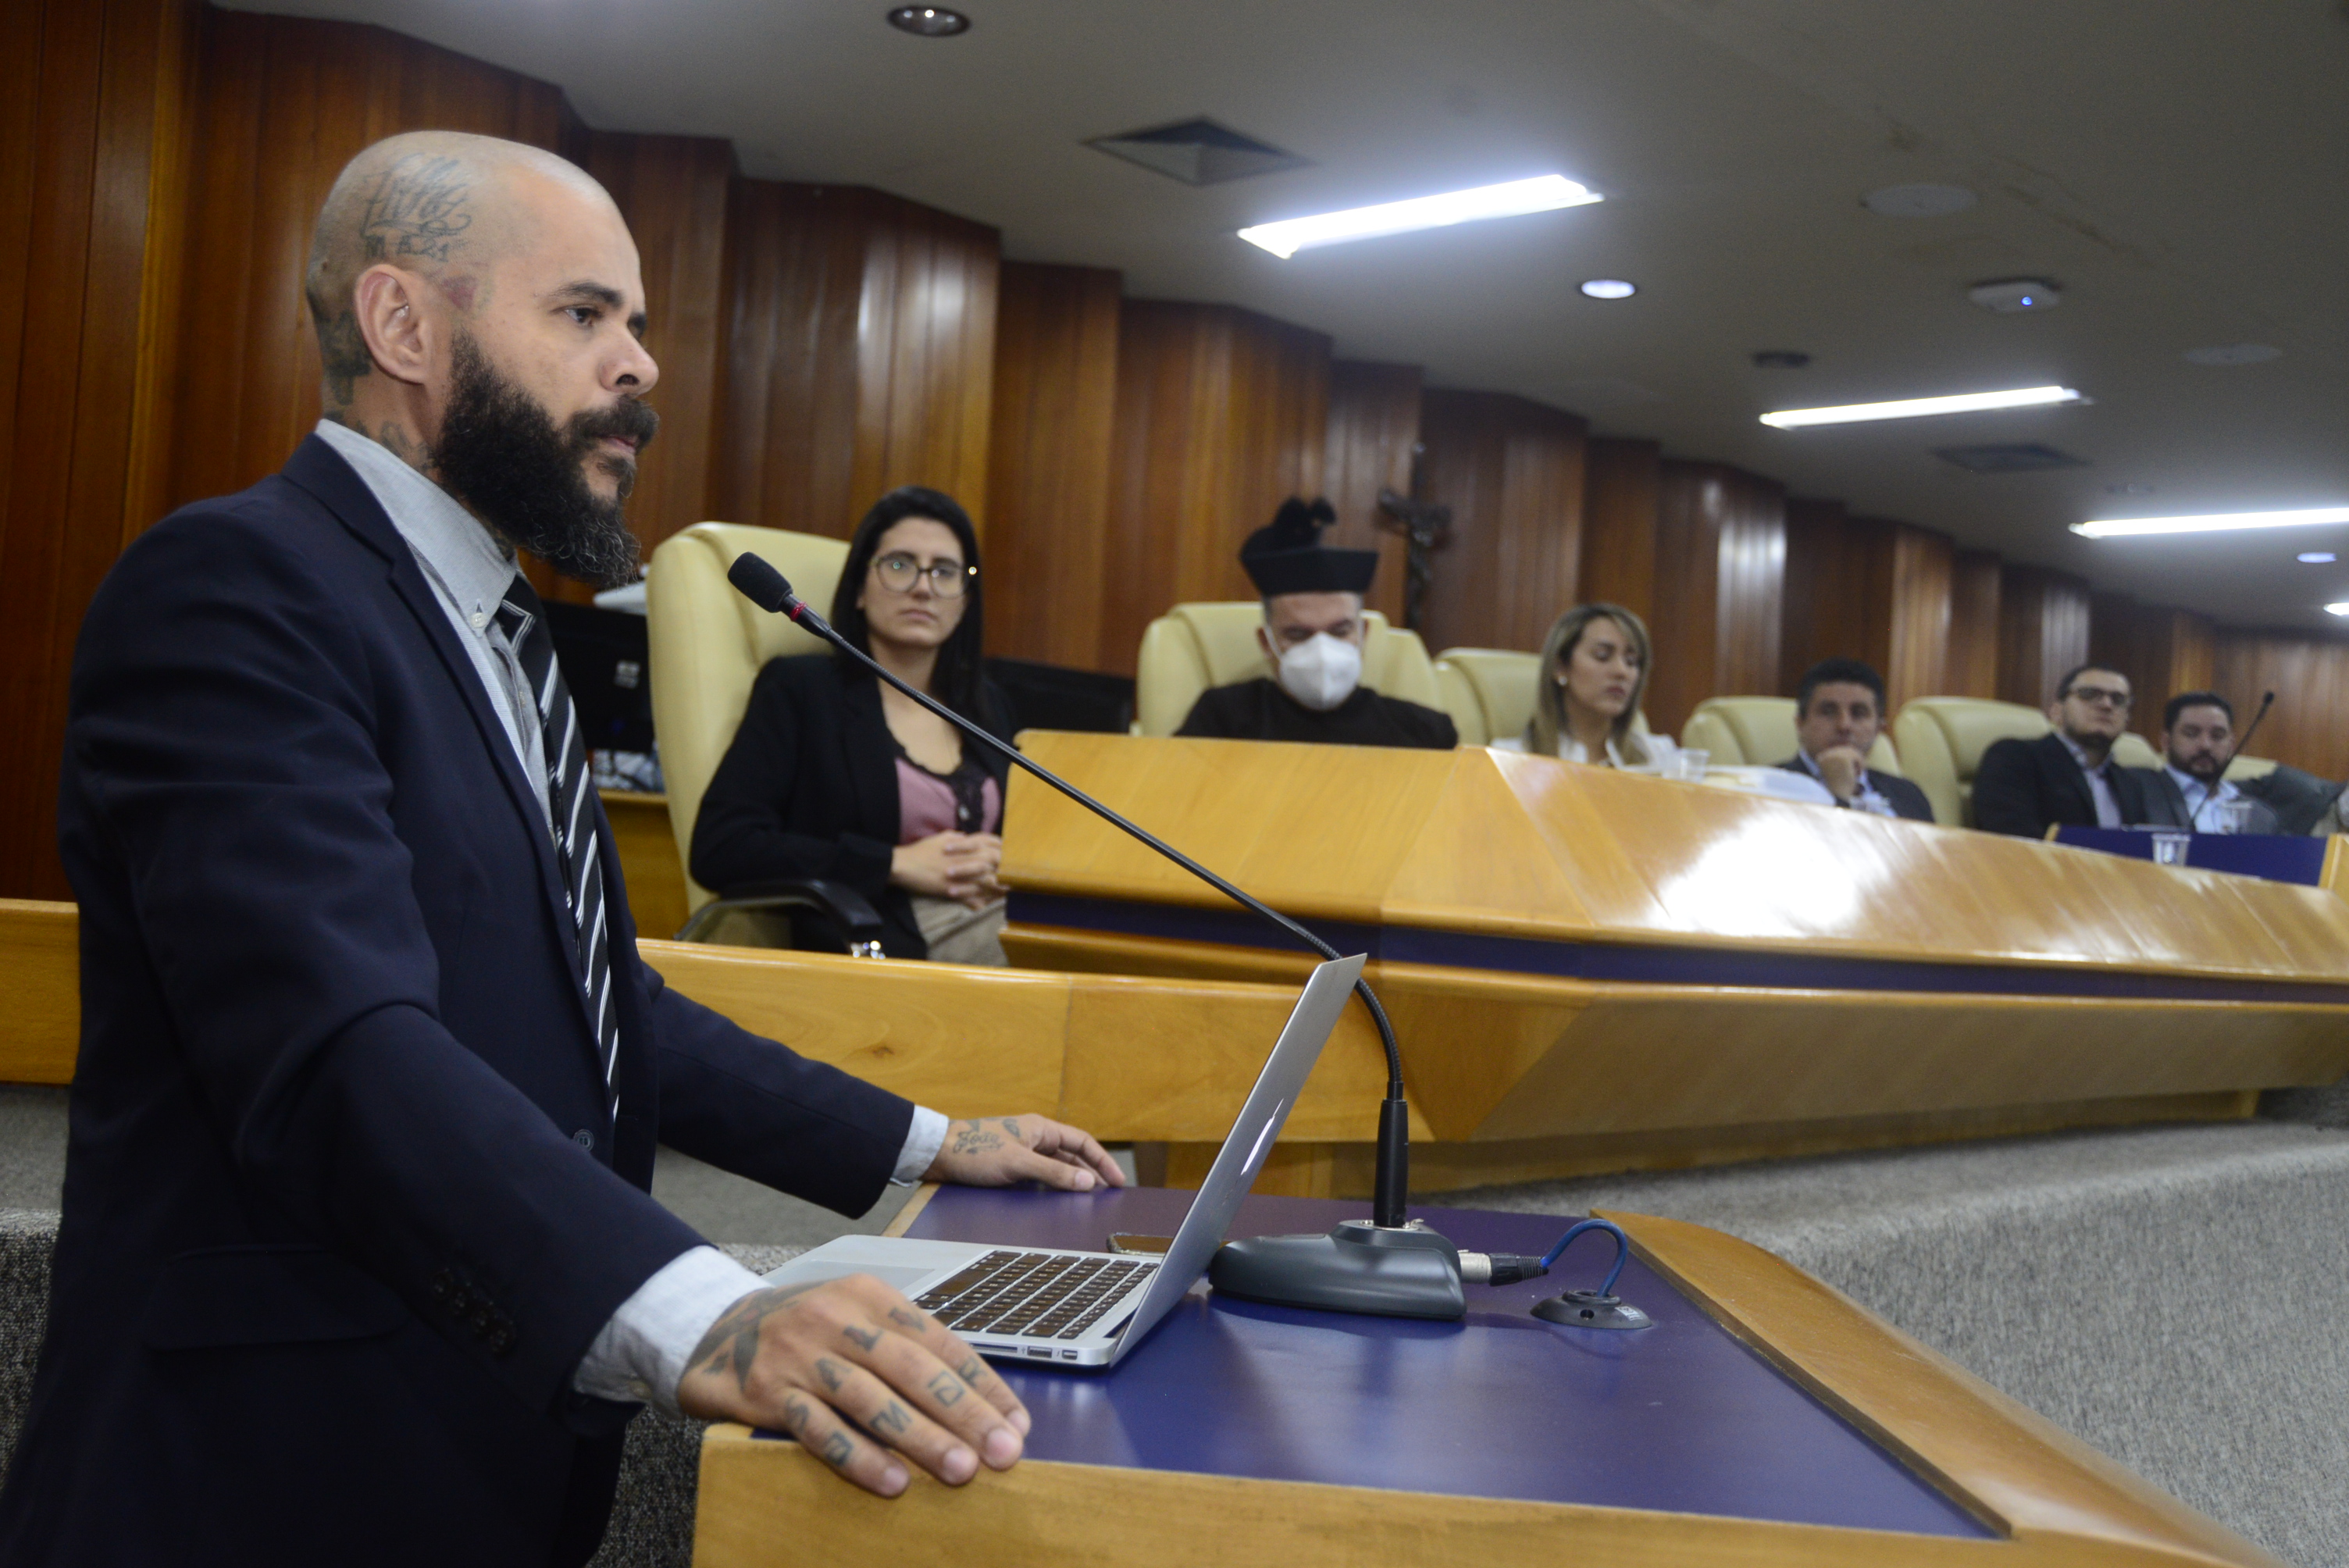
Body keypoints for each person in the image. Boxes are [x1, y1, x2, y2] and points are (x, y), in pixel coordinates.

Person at [0, 132, 1127, 1566]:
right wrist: (706, 1310)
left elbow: (600, 1003)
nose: (641, 365)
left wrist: (929, 1142)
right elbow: (331, 1044)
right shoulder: (236, 587)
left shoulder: (505, 630)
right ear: (405, 326)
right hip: (268, 1471)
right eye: (585, 313)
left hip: (488, 1446)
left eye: (637, 322)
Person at [692, 487, 1014, 964]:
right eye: (900, 565)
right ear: (860, 587)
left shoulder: (986, 706)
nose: (924, 588)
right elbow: (722, 846)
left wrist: (1010, 862)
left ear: (965, 601)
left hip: (995, 915)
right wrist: (893, 863)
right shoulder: (803, 690)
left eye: (945, 571)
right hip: (879, 934)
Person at [1175, 497, 1457, 749]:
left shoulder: (1425, 733)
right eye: (1298, 634)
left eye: (1340, 631)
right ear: (1266, 642)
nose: (1322, 649)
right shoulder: (1220, 722)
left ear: (1363, 634)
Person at [1492, 602, 1681, 769]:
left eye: (1631, 661)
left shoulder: (1659, 756)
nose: (1622, 671)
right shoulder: (1510, 758)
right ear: (1560, 667)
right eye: (1602, 656)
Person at [1972, 663, 2152, 836]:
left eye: (2118, 700)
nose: (2106, 705)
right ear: (2057, 711)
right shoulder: (2014, 758)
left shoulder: (2130, 783)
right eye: (2089, 694)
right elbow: (2011, 838)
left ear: (2127, 718)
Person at [1776, 658, 1934, 821]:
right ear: (1800, 723)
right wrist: (1840, 796)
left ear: (1878, 729)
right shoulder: (1771, 786)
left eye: (1859, 713)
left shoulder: (1908, 793)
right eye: (1828, 712)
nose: (1844, 725)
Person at [2135, 692, 2278, 834]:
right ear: (2166, 741)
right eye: (2191, 734)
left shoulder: (2261, 816)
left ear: (2231, 745)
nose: (2205, 745)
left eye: (2217, 736)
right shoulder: (2137, 792)